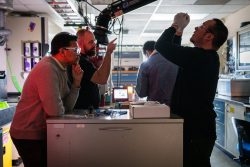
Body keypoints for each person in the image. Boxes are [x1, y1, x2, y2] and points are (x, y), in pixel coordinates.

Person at [155, 13, 228, 167]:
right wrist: (179, 32)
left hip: (197, 131)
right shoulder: (203, 57)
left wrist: (175, 25)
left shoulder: (201, 57)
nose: (196, 27)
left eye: (202, 27)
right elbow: (177, 53)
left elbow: (161, 45)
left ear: (209, 37)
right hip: (196, 129)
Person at [10, 32, 84, 167]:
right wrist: (61, 107)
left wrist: (76, 83)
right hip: (27, 133)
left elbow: (67, 107)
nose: (78, 53)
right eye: (75, 50)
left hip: (41, 131)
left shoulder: (61, 69)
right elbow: (55, 111)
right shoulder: (48, 69)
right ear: (62, 51)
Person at [68, 28, 116, 109]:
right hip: (82, 113)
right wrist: (108, 52)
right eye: (90, 42)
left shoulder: (85, 60)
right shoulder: (81, 62)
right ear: (79, 43)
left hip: (86, 112)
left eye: (94, 41)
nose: (94, 45)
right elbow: (102, 79)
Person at [135, 40, 178, 105]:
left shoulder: (145, 65)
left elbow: (141, 93)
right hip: (176, 106)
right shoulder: (175, 61)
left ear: (147, 52)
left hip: (156, 107)